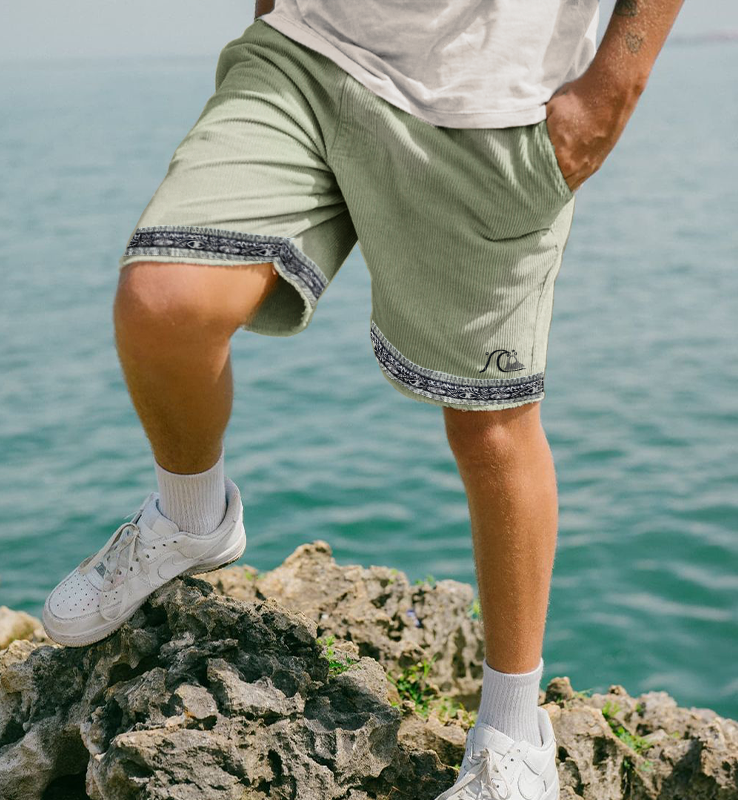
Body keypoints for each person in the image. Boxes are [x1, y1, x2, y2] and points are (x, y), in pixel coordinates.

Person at [42, 0, 684, 797]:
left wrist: (619, 76)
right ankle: (189, 517)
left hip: (487, 97)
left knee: (491, 426)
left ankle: (516, 732)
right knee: (163, 302)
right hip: (308, 50)